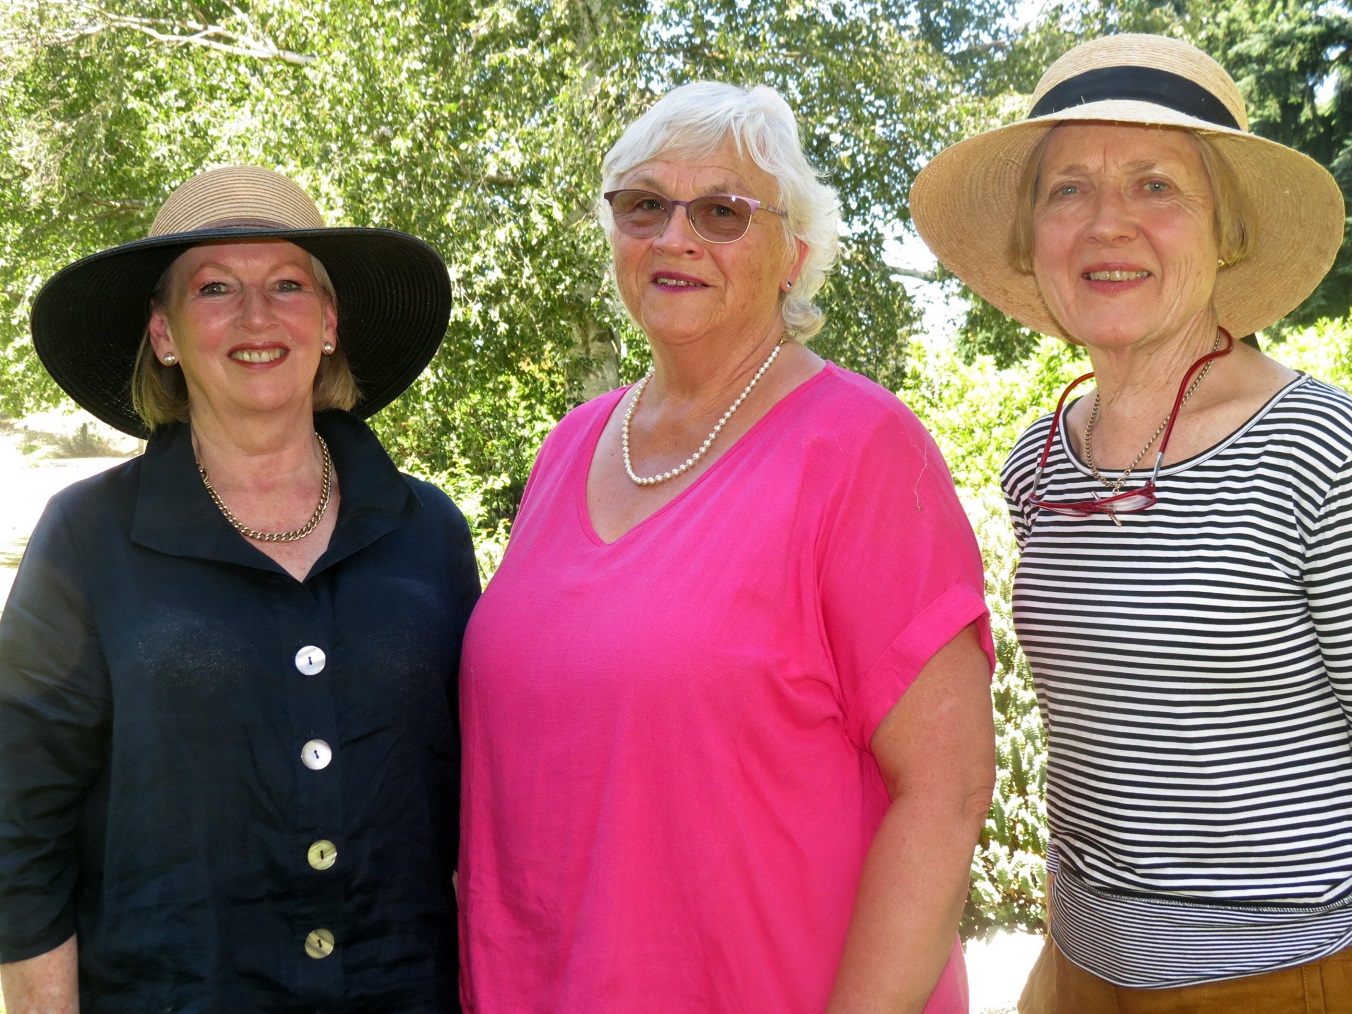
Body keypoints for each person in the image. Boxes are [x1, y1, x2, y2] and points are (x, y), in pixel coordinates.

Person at [457, 81, 996, 1013]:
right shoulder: (570, 445)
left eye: (721, 211)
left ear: (792, 255)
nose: (675, 237)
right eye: (643, 205)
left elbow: (946, 797)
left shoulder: (862, 449)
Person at [910, 33, 1350, 1012]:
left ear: (1224, 231)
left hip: (1284, 972)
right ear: (1030, 237)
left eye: (1155, 185)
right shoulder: (1039, 461)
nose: (1106, 223)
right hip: (1077, 967)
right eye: (1067, 189)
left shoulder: (1318, 449)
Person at [0, 166, 479, 1012]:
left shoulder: (427, 534)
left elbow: (470, 799)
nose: (257, 316)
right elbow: (19, 830)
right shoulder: (85, 539)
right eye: (215, 287)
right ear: (165, 334)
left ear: (329, 323)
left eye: (288, 285)